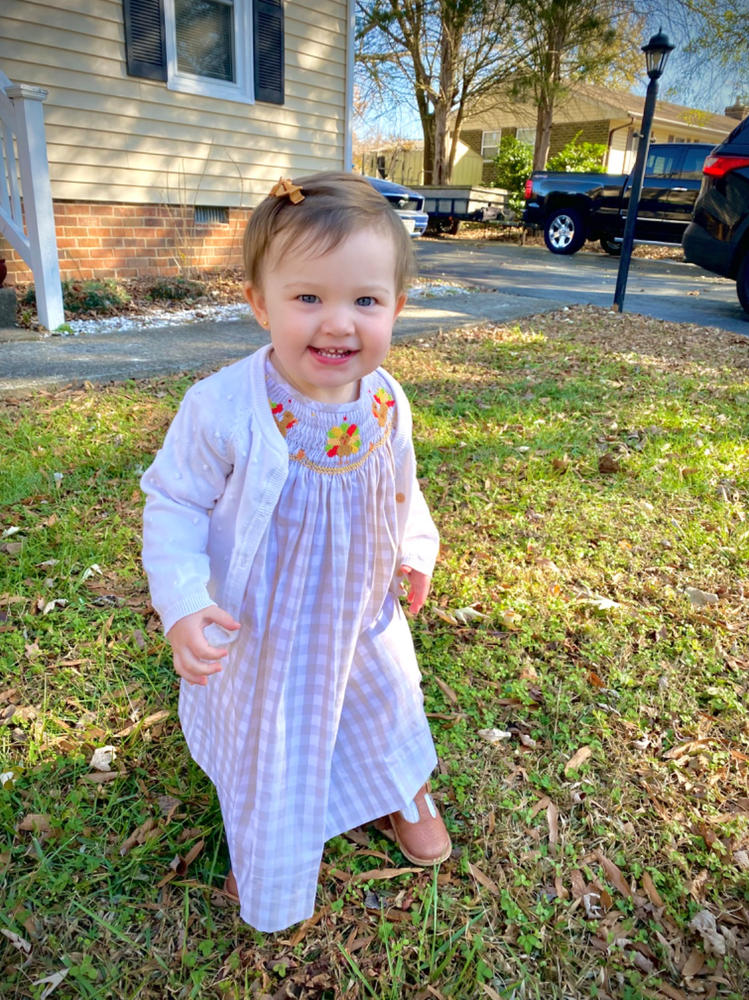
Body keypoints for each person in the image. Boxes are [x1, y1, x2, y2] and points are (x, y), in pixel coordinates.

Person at [140, 171, 451, 933]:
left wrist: (413, 544)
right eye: (308, 298)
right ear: (259, 303)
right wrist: (182, 600)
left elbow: (401, 482)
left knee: (383, 697)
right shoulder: (223, 407)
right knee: (279, 732)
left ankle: (401, 786)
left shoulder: (387, 399)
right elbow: (174, 503)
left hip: (359, 604)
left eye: (365, 301)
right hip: (265, 621)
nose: (338, 324)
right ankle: (275, 858)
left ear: (397, 308)